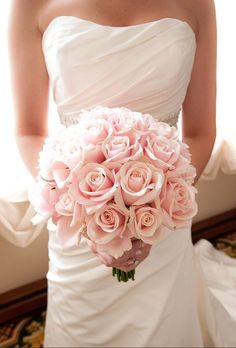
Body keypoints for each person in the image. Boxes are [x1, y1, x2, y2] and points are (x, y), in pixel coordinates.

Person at [8, 0, 236, 346]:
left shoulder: (199, 3)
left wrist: (157, 207)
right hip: (77, 217)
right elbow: (28, 131)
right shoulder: (28, 5)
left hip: (160, 221)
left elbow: (200, 131)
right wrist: (83, 211)